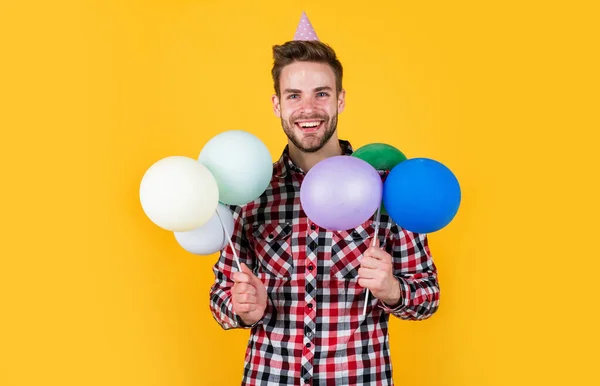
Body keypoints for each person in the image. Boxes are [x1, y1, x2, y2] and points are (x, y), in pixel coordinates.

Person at [209, 16, 440, 386]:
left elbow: (427, 295)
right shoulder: (250, 194)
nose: (308, 109)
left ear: (340, 99)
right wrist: (240, 308)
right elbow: (220, 296)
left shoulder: (387, 189)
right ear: (276, 104)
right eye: (293, 95)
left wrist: (393, 290)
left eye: (321, 93)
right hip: (269, 377)